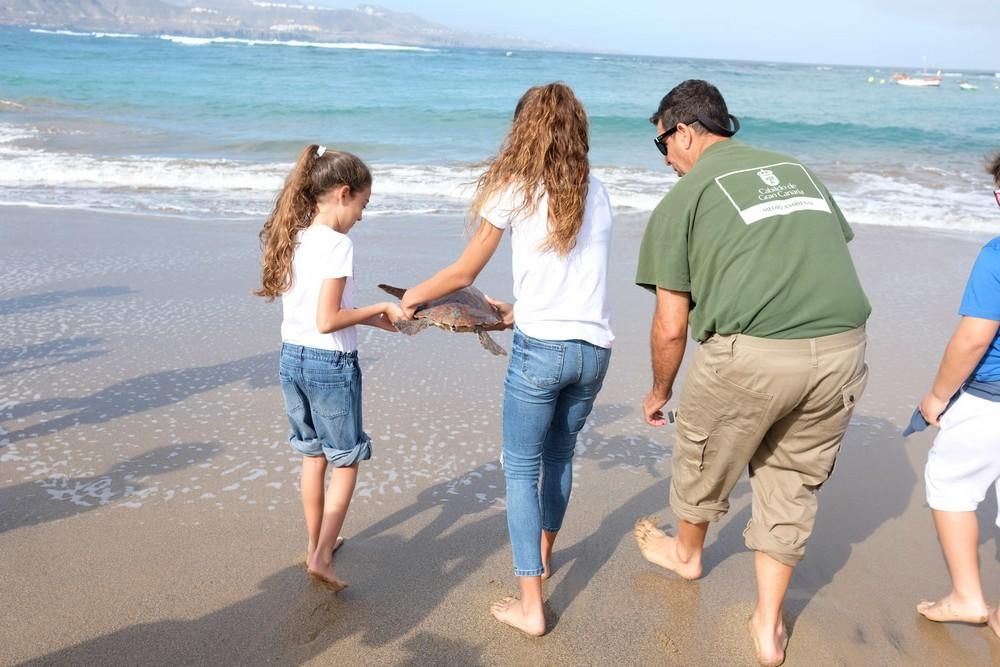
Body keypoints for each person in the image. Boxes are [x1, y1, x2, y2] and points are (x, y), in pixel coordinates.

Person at [633, 80, 870, 667]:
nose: (664, 159)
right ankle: (768, 624)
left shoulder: (682, 200)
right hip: (842, 348)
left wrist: (660, 391)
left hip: (755, 355)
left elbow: (670, 325)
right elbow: (819, 252)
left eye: (662, 144)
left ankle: (687, 556)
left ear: (684, 131)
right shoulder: (795, 170)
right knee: (792, 480)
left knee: (703, 454)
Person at [399, 82, 614, 636]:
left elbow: (462, 274)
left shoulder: (515, 189)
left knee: (520, 471)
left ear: (524, 131)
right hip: (593, 352)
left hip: (542, 352)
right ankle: (541, 561)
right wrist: (521, 309)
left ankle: (530, 604)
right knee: (559, 459)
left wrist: (413, 297)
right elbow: (573, 276)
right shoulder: (599, 192)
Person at [254, 145, 401, 590]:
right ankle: (320, 555)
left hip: (291, 360)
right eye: (363, 205)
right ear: (343, 194)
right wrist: (379, 305)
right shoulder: (339, 245)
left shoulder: (295, 236)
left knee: (312, 455)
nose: (361, 216)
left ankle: (317, 543)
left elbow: (316, 313)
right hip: (329, 365)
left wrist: (376, 319)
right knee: (347, 459)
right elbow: (329, 319)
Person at [915, 151, 1000, 637]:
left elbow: (973, 338)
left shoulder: (997, 255)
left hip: (991, 399)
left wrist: (936, 397)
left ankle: (968, 596)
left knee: (950, 483)